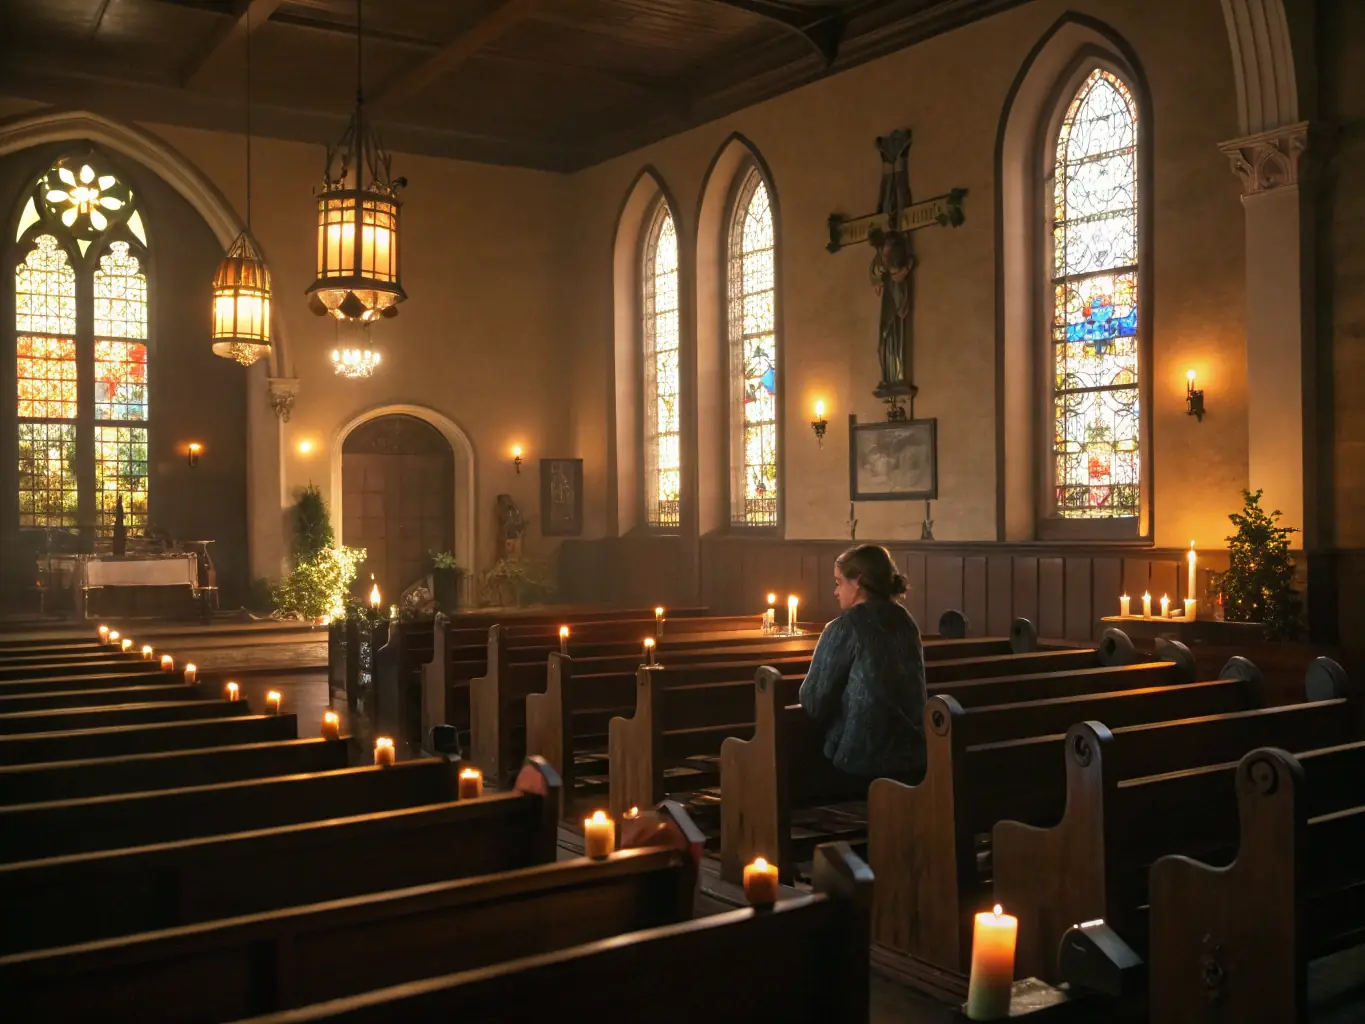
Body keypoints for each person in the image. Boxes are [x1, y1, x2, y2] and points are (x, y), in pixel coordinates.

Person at [798, 544, 927, 785]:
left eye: (839, 582)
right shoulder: (905, 620)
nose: (835, 592)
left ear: (857, 582)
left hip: (861, 758)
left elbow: (813, 702)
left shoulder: (845, 626)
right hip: (912, 753)